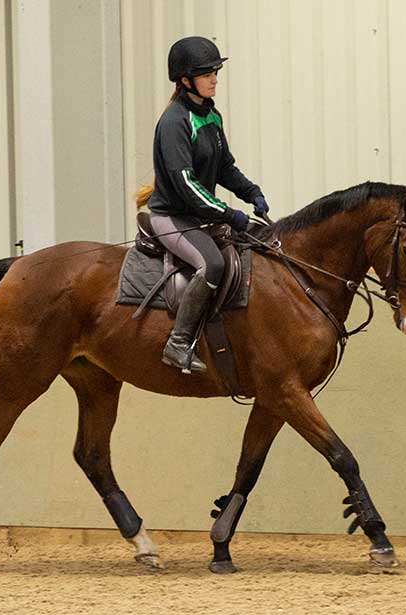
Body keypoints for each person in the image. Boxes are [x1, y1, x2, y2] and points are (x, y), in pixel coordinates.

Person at [143, 36, 269, 373]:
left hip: (198, 216)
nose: (214, 78)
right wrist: (228, 213)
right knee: (212, 264)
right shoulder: (174, 122)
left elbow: (225, 167)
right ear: (185, 80)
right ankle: (179, 342)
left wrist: (251, 192)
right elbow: (186, 185)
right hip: (172, 217)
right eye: (206, 73)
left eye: (215, 72)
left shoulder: (211, 116)